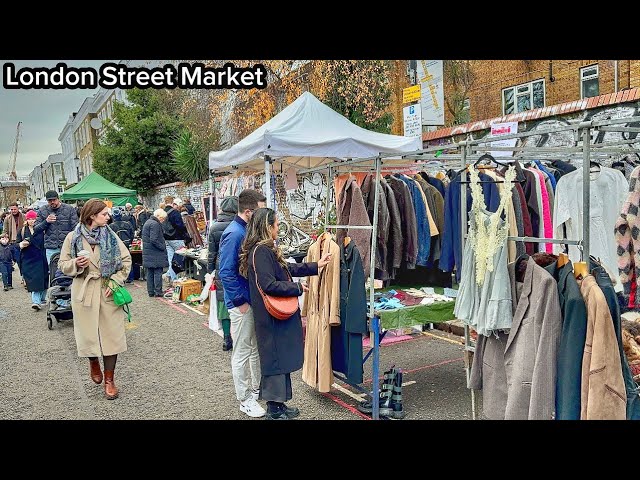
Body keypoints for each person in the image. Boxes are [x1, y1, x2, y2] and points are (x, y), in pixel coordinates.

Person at [240, 208, 331, 420]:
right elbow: (269, 284)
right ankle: (274, 409)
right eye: (277, 224)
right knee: (275, 361)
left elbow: (287, 270)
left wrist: (316, 265)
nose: (278, 228)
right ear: (267, 226)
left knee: (280, 360)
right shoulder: (261, 251)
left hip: (273, 317)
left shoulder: (263, 249)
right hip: (271, 317)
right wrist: (297, 289)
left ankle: (279, 405)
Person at [58, 198, 132, 400]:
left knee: (112, 336)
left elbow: (126, 261)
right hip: (84, 289)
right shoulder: (73, 237)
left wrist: (116, 281)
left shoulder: (111, 235)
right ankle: (92, 361)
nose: (109, 217)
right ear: (92, 216)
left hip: (107, 288)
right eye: (104, 214)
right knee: (88, 334)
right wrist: (77, 263)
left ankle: (110, 380)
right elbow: (62, 264)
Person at [218, 189, 267, 418]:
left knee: (254, 349)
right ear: (249, 211)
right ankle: (245, 399)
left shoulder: (243, 230)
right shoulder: (235, 233)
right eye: (259, 211)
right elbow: (225, 271)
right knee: (242, 351)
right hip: (241, 304)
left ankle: (256, 390)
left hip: (249, 301)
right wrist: (240, 302)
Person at [207, 196, 239, 351]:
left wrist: (210, 270)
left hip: (221, 267)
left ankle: (227, 338)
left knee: (223, 303)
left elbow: (211, 253)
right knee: (239, 301)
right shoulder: (239, 226)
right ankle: (239, 337)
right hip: (238, 266)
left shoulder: (214, 227)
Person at [34, 190, 79, 264]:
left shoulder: (69, 209)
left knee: (69, 270)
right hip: (51, 247)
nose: (52, 202)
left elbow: (75, 228)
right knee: (53, 271)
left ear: (58, 199)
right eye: (49, 200)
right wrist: (46, 222)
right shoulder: (42, 210)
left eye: (54, 200)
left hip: (67, 246)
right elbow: (36, 229)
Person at [16, 210, 49, 309]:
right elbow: (16, 244)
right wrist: (21, 244)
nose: (32, 221)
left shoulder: (41, 229)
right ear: (27, 220)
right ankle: (36, 301)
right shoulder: (22, 231)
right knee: (33, 280)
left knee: (43, 278)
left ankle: (42, 298)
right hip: (28, 259)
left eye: (34, 218)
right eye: (30, 219)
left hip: (41, 257)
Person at [162, 196, 190, 282]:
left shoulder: (162, 213)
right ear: (173, 202)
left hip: (167, 239)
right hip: (177, 238)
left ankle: (171, 277)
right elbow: (180, 226)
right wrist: (186, 236)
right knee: (180, 260)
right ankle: (177, 280)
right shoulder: (175, 213)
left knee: (171, 260)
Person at [142, 209, 169, 297]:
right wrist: (162, 246)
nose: (163, 220)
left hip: (148, 251)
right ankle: (158, 291)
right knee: (158, 271)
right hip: (155, 252)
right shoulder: (155, 224)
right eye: (162, 218)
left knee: (150, 272)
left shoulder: (148, 222)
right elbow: (154, 239)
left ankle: (151, 291)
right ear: (158, 216)